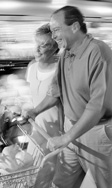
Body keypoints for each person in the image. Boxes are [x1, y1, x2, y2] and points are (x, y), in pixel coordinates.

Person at [22, 6, 112, 188]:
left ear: (75, 27)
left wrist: (65, 138)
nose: (53, 36)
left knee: (101, 183)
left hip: (96, 133)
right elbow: (56, 93)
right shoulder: (65, 54)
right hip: (71, 130)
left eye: (56, 29)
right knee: (61, 182)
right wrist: (35, 111)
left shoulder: (98, 52)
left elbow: (97, 106)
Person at [22, 23, 64, 187]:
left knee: (48, 178)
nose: (37, 49)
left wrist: (34, 111)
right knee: (31, 176)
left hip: (55, 136)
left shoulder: (60, 70)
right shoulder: (31, 68)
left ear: (55, 48)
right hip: (37, 131)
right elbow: (34, 97)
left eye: (43, 45)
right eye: (36, 43)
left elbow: (54, 98)